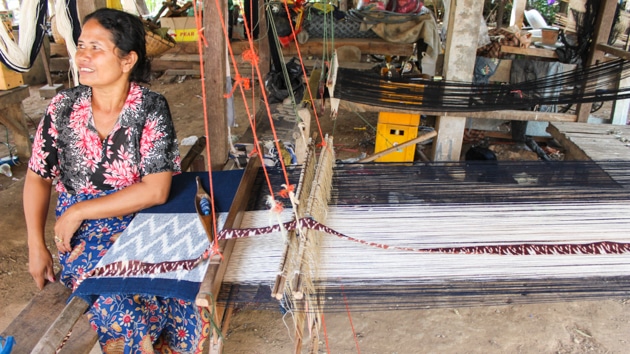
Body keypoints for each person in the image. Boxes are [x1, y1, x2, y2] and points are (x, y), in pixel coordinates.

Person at [23, 8, 209, 353]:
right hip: (85, 237)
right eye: (80, 45)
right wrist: (37, 245)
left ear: (127, 60)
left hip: (145, 224)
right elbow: (37, 177)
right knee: (117, 305)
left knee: (184, 296)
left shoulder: (149, 107)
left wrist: (79, 210)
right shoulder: (63, 107)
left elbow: (156, 190)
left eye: (96, 47)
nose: (82, 56)